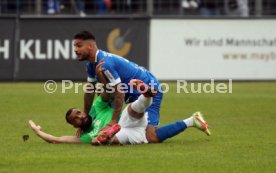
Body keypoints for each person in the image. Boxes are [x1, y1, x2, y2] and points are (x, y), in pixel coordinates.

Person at [29, 80, 211, 145]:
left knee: (132, 111)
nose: (80, 116)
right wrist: (38, 132)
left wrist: (107, 83)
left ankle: (146, 94)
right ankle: (191, 120)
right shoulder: (82, 137)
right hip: (129, 133)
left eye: (78, 112)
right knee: (152, 138)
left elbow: (107, 92)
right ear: (74, 125)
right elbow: (57, 139)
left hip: (123, 120)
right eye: (75, 119)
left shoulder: (96, 108)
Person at [73, 30, 165, 143]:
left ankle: (190, 121)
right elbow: (89, 92)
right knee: (102, 93)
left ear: (90, 46)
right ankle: (113, 126)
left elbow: (120, 92)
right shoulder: (91, 65)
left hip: (150, 88)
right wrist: (85, 118)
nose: (75, 50)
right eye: (75, 46)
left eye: (79, 46)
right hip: (132, 94)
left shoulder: (105, 63)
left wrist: (113, 121)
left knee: (151, 137)